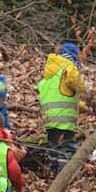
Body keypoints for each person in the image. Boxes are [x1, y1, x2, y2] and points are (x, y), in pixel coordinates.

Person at [38, 40, 84, 172]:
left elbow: (60, 93)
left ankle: (53, 171)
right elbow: (75, 81)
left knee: (54, 147)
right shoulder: (69, 68)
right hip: (64, 120)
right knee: (67, 147)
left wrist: (81, 105)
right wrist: (82, 85)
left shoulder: (50, 75)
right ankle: (64, 174)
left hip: (49, 120)